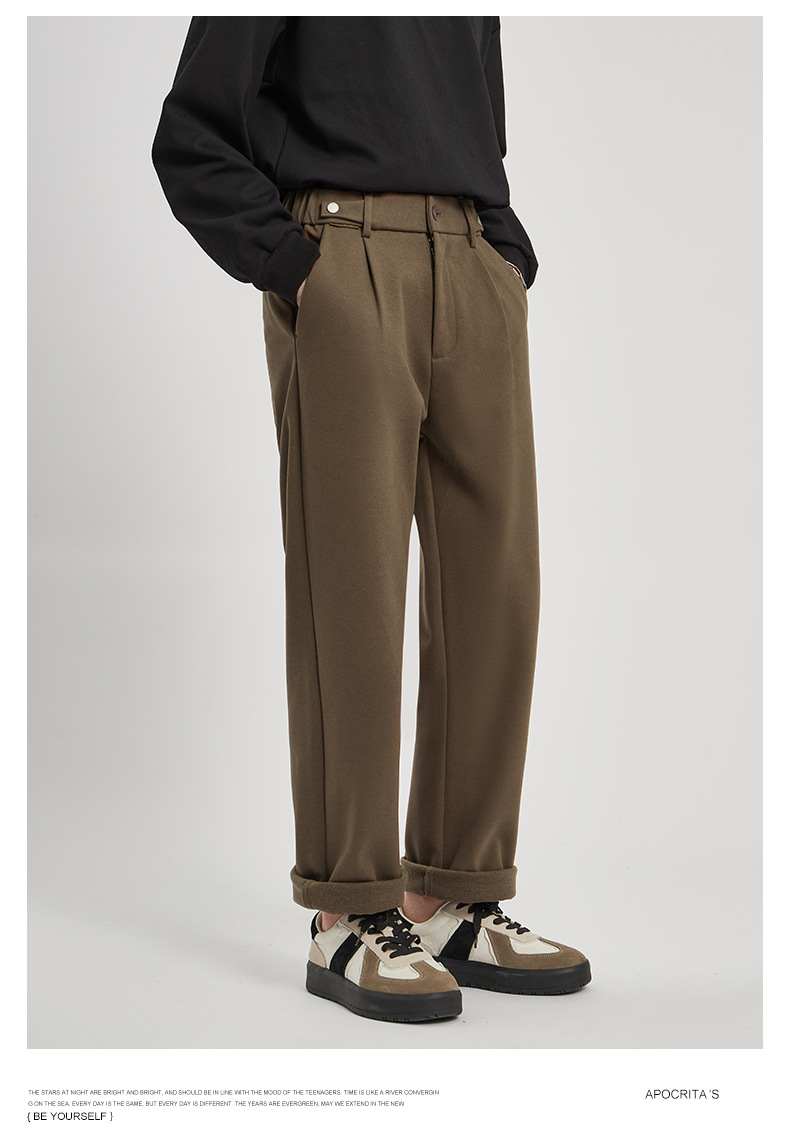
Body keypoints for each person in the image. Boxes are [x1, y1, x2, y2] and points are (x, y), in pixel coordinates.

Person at [152, 15, 591, 1024]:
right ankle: (347, 909)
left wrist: (502, 253)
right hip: (341, 255)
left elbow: (474, 124)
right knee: (349, 596)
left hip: (472, 263)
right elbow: (191, 134)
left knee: (497, 592)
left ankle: (455, 894)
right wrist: (296, 263)